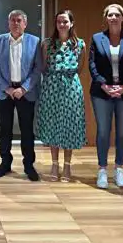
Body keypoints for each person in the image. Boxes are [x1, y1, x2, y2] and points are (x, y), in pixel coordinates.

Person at [89, 3, 123, 189]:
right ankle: (102, 170)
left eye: (116, 15)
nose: (113, 18)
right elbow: (92, 64)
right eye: (110, 15)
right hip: (102, 92)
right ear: (106, 18)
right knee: (103, 131)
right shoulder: (97, 38)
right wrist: (103, 84)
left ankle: (119, 169)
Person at [0, 10, 42, 181]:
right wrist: (7, 88)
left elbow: (37, 68)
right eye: (12, 20)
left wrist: (24, 88)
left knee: (27, 130)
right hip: (4, 92)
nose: (15, 23)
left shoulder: (35, 41)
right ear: (8, 23)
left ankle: (29, 165)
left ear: (25, 24)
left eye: (19, 20)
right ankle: (5, 162)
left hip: (26, 92)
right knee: (5, 130)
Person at [35, 10, 86, 183]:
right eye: (59, 22)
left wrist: (67, 77)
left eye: (65, 21)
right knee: (52, 124)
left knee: (69, 125)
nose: (62, 25)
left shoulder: (80, 44)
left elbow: (80, 67)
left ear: (71, 23)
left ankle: (67, 165)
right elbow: (43, 67)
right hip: (51, 88)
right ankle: (55, 165)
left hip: (71, 88)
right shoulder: (47, 44)